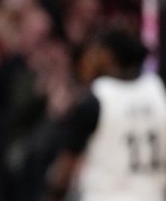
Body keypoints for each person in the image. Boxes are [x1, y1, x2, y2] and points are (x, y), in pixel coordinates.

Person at [44, 30, 166, 201]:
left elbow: (65, 168)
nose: (87, 59)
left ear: (108, 56)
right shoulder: (158, 91)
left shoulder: (96, 100)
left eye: (93, 51)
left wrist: (53, 194)